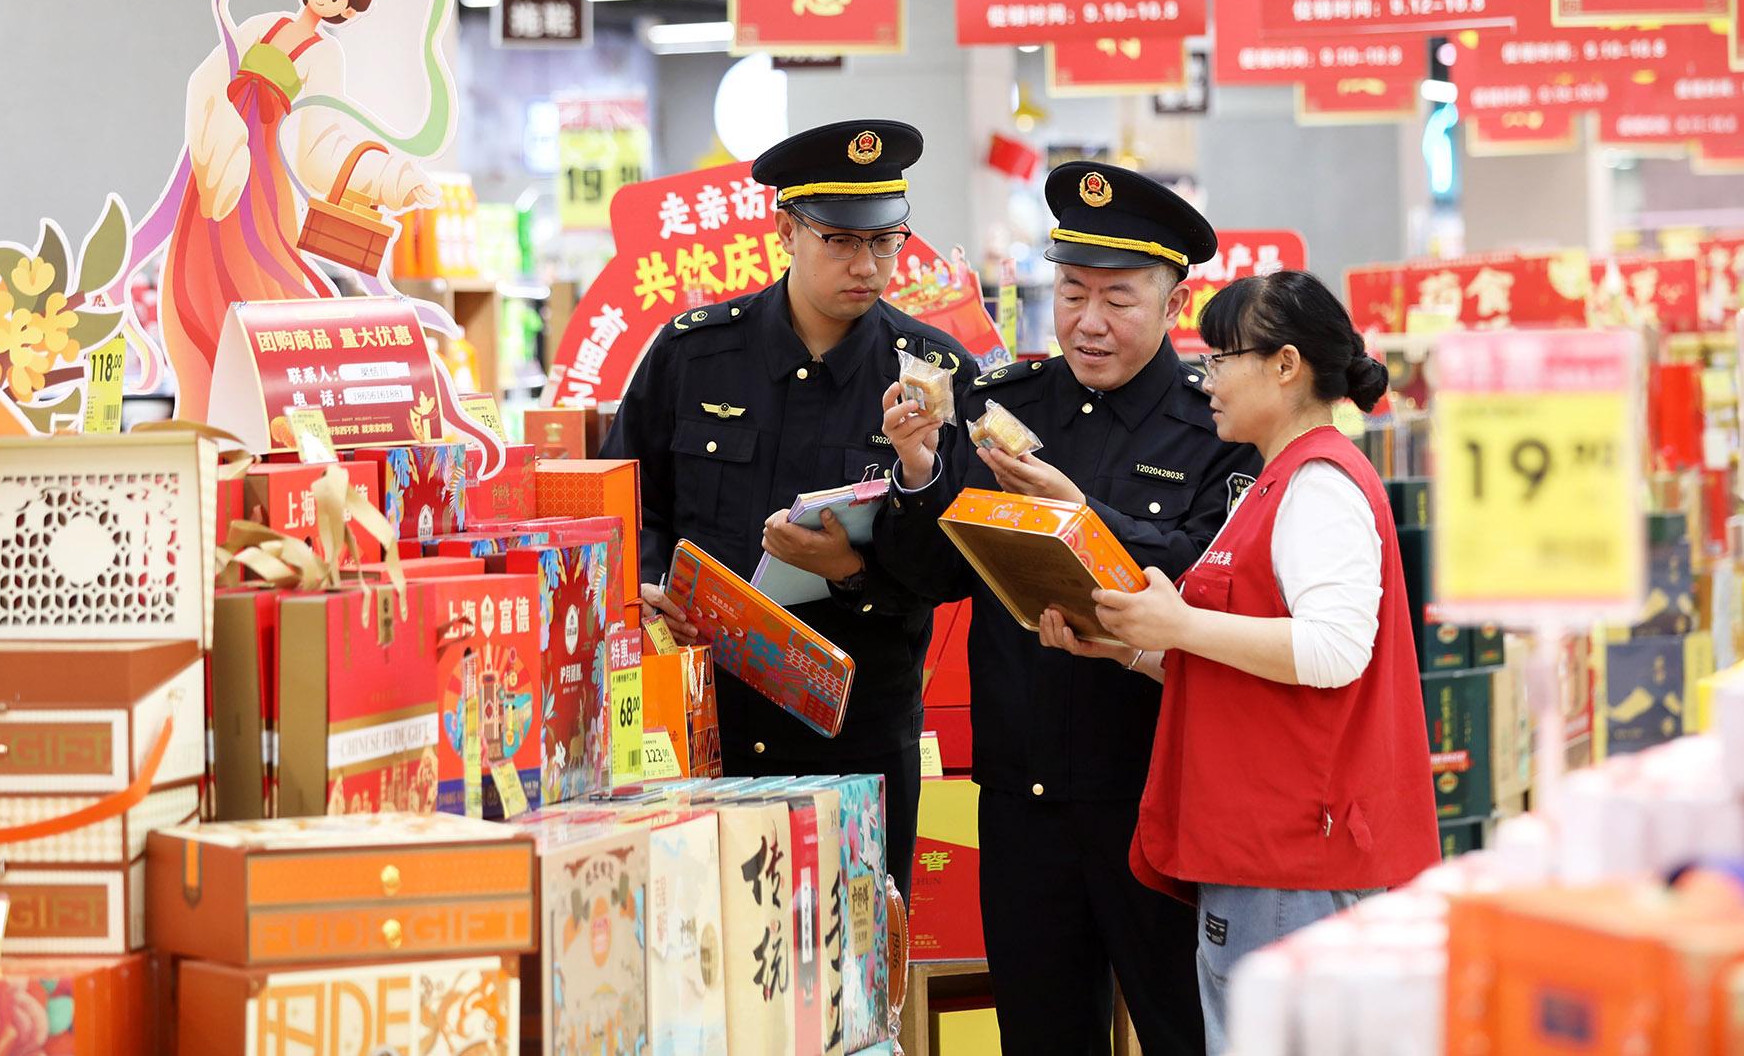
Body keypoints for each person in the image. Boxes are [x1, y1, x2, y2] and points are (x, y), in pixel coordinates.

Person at [876, 162, 1260, 1055]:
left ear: (1174, 304)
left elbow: (1212, 581)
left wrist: (1080, 513)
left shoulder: (1215, 426)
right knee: (1041, 1035)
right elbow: (932, 573)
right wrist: (921, 470)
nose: (1090, 321)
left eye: (1118, 299)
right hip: (1024, 798)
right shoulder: (998, 407)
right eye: (1073, 292)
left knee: (1185, 1030)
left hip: (1158, 797)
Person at [1039, 269, 1440, 1054]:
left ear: (1286, 365)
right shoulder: (1273, 480)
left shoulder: (1318, 485)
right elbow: (1246, 658)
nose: (1207, 379)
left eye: (1221, 359)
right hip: (1260, 844)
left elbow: (1334, 650)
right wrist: (1133, 646)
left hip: (1293, 849)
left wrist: (1181, 624)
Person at [602, 120, 977, 898]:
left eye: (885, 242)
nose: (866, 266)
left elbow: (953, 569)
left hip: (855, 735)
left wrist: (853, 571)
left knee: (856, 950)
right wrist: (643, 589)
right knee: (700, 941)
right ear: (786, 231)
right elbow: (625, 503)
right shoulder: (693, 354)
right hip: (702, 724)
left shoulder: (935, 376)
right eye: (840, 241)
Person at [159, 0, 439, 420]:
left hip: (258, 184)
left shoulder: (325, 56)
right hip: (218, 167)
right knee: (195, 284)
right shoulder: (260, 26)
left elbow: (321, 144)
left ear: (347, 11)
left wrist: (390, 177)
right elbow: (206, 80)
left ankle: (267, 416)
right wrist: (219, 131)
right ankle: (201, 414)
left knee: (261, 289)